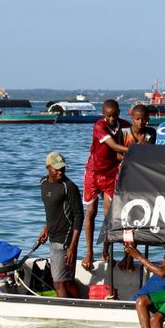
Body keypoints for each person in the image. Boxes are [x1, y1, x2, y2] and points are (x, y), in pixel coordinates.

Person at [82, 99, 130, 270]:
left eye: (114, 115)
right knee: (91, 211)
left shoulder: (124, 126)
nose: (112, 119)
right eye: (108, 116)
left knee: (109, 215)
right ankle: (89, 252)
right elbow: (113, 145)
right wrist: (134, 149)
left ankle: (105, 250)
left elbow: (131, 138)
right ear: (103, 115)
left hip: (111, 174)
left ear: (118, 114)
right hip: (94, 172)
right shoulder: (99, 126)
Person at [37, 151, 83, 298]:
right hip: (53, 237)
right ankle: (81, 304)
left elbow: (79, 216)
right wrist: (46, 228)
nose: (60, 172)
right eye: (57, 169)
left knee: (59, 283)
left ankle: (66, 310)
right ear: (48, 168)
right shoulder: (43, 183)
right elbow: (53, 211)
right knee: (67, 282)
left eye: (62, 168)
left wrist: (72, 247)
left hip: (65, 241)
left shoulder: (69, 187)